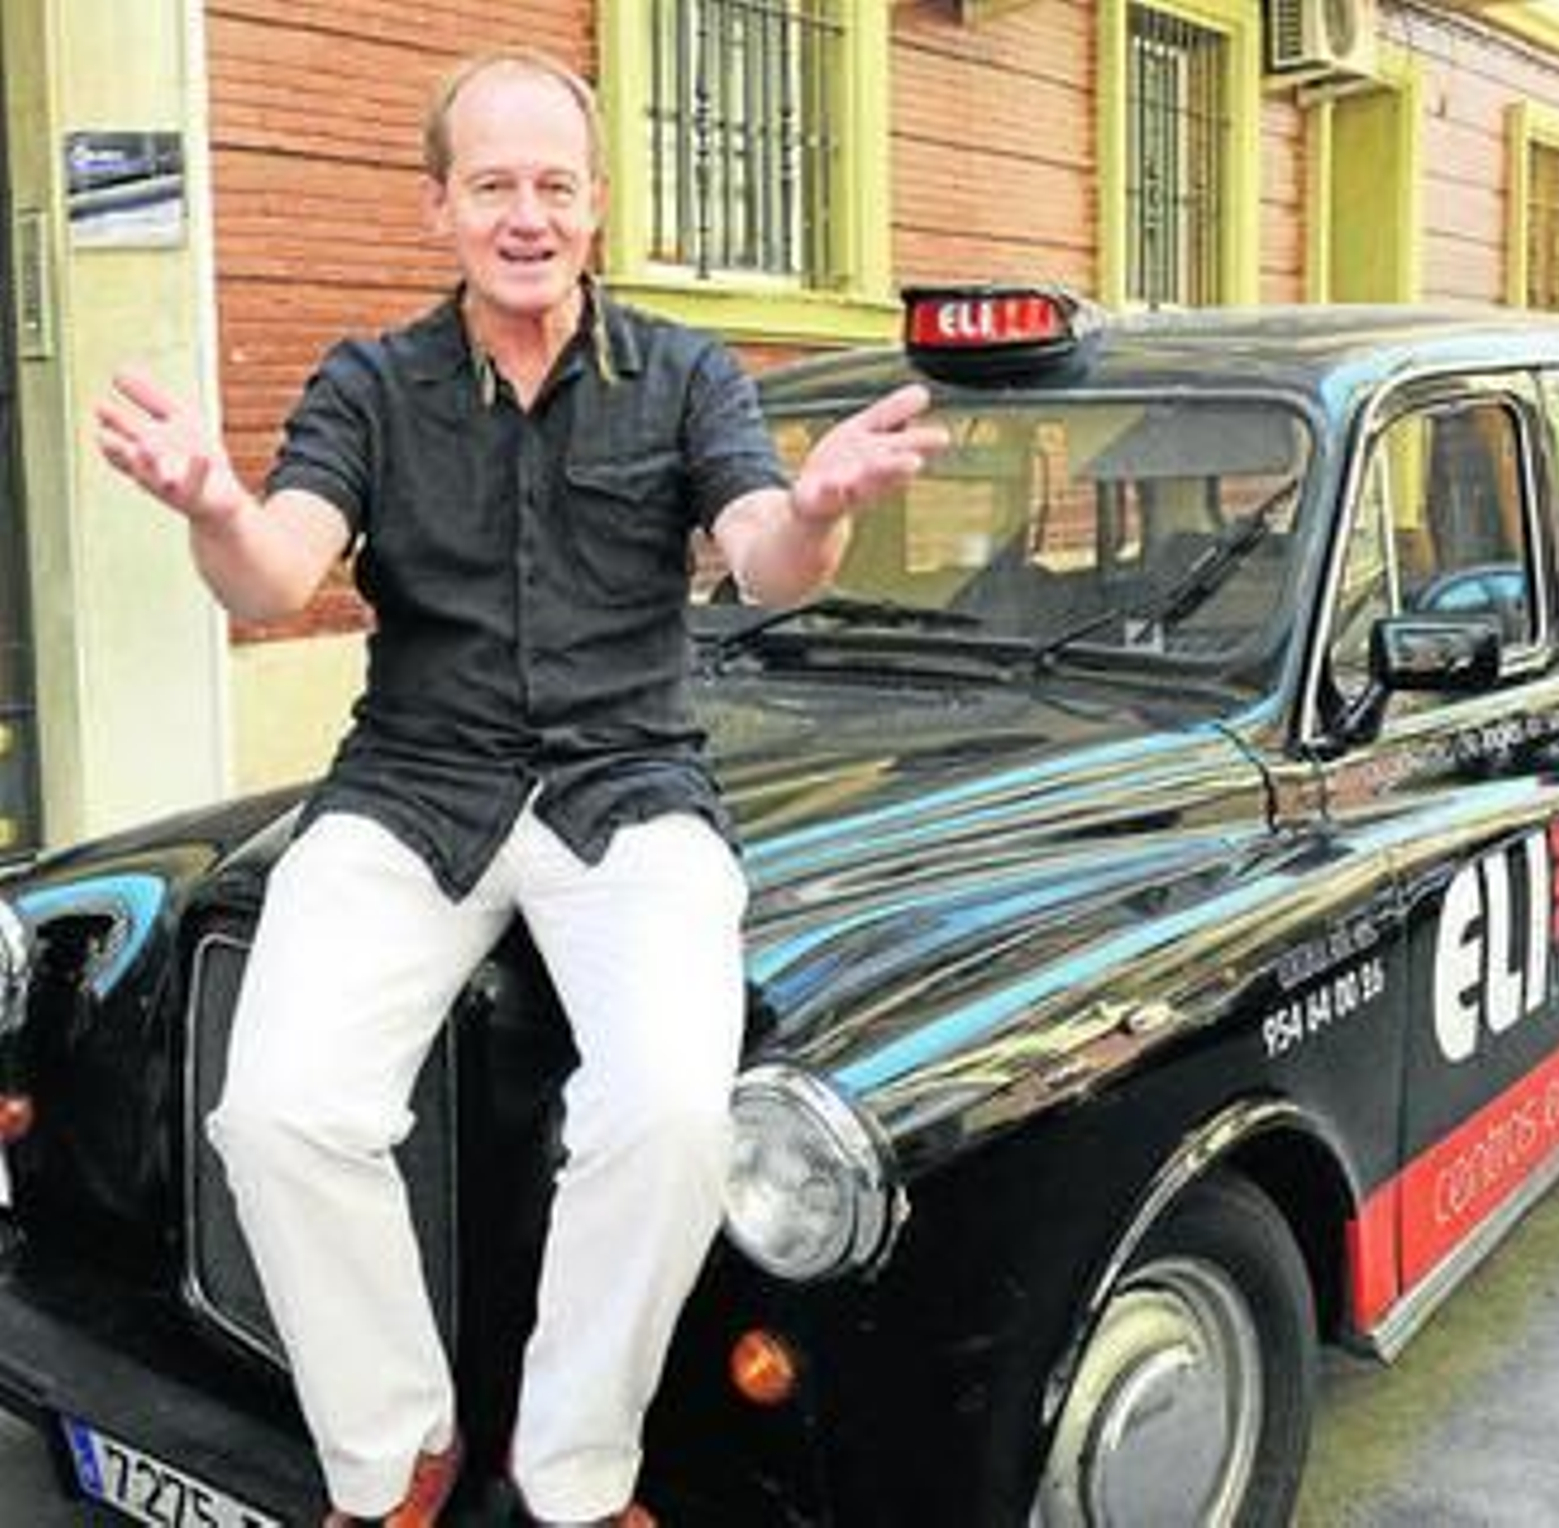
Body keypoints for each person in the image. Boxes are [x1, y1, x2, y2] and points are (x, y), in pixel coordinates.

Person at [94, 47, 945, 1528]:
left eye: (555, 184)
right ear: (439, 207)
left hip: (631, 789)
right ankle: (395, 1452)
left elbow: (761, 549)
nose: (527, 214)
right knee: (279, 1112)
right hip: (414, 787)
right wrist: (215, 503)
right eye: (492, 185)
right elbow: (281, 566)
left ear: (597, 206)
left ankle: (573, 1475)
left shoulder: (686, 375)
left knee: (674, 1117)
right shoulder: (370, 382)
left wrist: (814, 509)